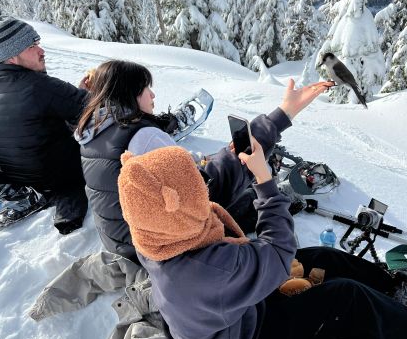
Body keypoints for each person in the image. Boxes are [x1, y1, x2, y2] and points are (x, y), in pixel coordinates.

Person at [118, 132, 407, 339]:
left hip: (228, 317)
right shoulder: (208, 266)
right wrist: (264, 182)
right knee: (345, 300)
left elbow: (258, 254)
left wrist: (261, 135)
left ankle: (397, 291)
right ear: (179, 203)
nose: (201, 177)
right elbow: (277, 251)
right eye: (195, 179)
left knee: (319, 258)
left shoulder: (154, 235)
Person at [76, 58, 329, 262]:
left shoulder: (94, 130)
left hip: (118, 239)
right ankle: (281, 199)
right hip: (153, 249)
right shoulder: (145, 137)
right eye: (145, 89)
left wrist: (200, 160)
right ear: (128, 95)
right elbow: (205, 191)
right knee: (244, 195)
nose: (153, 95)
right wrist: (280, 116)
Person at [0, 16, 89, 234]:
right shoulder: (41, 86)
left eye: (38, 43)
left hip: (19, 178)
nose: (41, 51)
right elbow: (98, 108)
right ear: (11, 57)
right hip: (62, 177)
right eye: (32, 46)